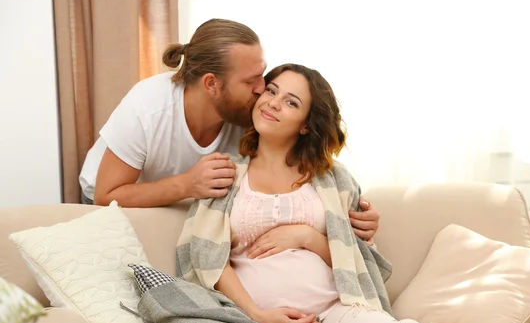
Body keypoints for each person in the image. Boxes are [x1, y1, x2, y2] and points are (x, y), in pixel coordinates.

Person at [210, 63, 443, 323]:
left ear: (306, 124)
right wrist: (259, 316)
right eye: (271, 90)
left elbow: (358, 259)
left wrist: (307, 237)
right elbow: (209, 259)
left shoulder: (333, 179)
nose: (274, 103)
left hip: (337, 307)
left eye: (291, 102)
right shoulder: (226, 173)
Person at [78, 18, 380, 242]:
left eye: (262, 75)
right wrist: (186, 185)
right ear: (212, 84)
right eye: (251, 81)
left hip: (190, 207)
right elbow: (107, 195)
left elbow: (302, 164)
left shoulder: (254, 113)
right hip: (109, 204)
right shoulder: (147, 106)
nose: (262, 90)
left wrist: (354, 213)